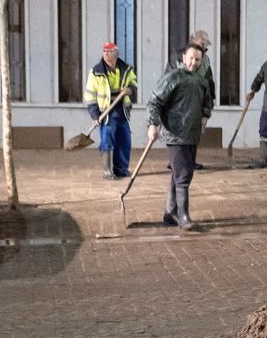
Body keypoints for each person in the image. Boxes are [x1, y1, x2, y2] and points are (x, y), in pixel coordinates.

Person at [148, 43, 213, 231]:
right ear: (184, 57)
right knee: (183, 175)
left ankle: (170, 213)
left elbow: (207, 102)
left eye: (197, 59)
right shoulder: (173, 77)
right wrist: (152, 124)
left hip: (192, 134)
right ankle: (183, 216)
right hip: (175, 134)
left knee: (181, 173)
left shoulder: (201, 81)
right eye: (191, 58)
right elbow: (155, 101)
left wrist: (204, 116)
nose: (193, 62)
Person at [83, 41, 138, 180]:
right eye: (104, 51)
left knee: (124, 139)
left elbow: (134, 83)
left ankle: (121, 169)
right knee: (107, 140)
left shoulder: (126, 69)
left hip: (122, 110)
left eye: (109, 51)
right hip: (106, 113)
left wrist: (130, 89)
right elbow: (90, 96)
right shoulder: (96, 72)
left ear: (116, 53)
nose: (106, 54)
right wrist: (95, 115)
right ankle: (107, 170)